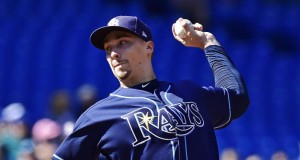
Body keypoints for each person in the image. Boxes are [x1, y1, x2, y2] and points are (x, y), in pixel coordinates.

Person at [52, 15, 249, 160]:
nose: (113, 53)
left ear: (149, 47)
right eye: (108, 48)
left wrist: (208, 42)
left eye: (122, 43)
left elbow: (237, 97)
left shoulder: (190, 93)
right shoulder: (97, 116)